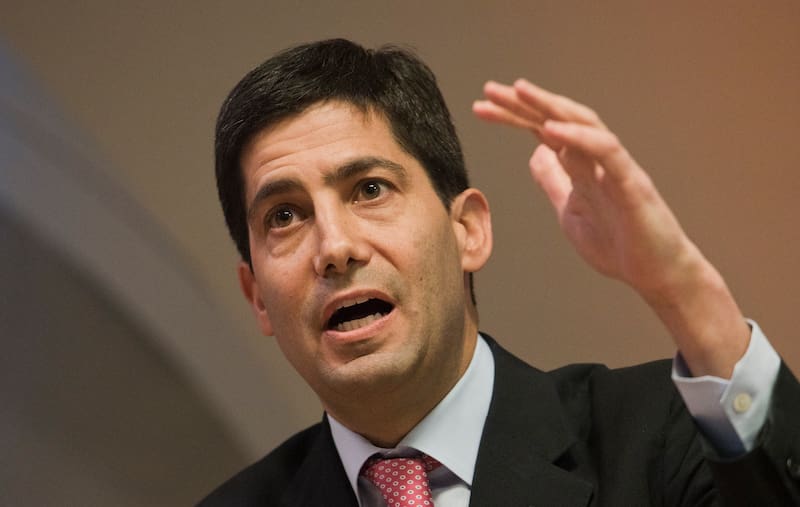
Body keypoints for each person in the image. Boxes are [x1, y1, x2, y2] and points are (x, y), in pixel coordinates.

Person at [200, 39, 799, 506]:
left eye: (370, 189)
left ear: (468, 231)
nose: (334, 247)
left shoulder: (659, 438)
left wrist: (680, 289)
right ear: (256, 297)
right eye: (284, 215)